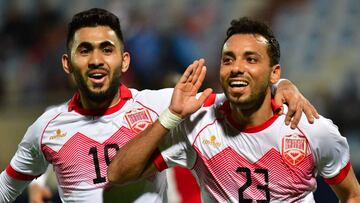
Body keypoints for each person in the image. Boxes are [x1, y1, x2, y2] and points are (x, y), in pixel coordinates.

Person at [0, 8, 317, 203]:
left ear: (124, 61)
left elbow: (238, 102)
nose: (96, 60)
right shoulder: (47, 128)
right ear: (67, 64)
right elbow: (8, 186)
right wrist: (39, 183)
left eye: (106, 50)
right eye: (85, 51)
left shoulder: (160, 104)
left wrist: (280, 85)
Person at [107, 17, 360, 202]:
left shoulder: (311, 128)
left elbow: (351, 195)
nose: (237, 67)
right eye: (228, 59)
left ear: (275, 74)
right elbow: (118, 173)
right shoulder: (198, 126)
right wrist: (170, 116)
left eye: (251, 59)